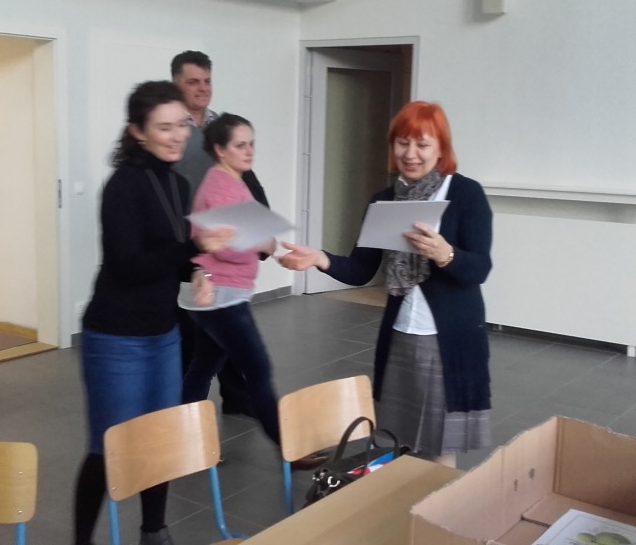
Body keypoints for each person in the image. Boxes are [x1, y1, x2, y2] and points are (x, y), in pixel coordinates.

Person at [277, 101, 493, 467]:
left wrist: (446, 254)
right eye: (402, 143)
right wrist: (320, 258)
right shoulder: (384, 199)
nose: (411, 154)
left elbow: (479, 268)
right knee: (399, 436)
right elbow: (361, 270)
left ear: (441, 148)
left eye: (422, 144)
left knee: (439, 445)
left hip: (448, 339)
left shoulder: (465, 194)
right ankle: (404, 498)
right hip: (400, 333)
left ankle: (436, 503)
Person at [73, 81, 233, 545]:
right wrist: (193, 247)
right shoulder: (122, 186)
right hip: (115, 338)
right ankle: (80, 540)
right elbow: (129, 266)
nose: (177, 135)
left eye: (181, 125)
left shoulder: (178, 183)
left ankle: (154, 533)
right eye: (164, 127)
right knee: (109, 447)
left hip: (163, 334)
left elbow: (172, 255)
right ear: (137, 132)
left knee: (159, 439)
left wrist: (196, 270)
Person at [170, 50, 268, 416]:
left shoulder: (220, 125)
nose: (202, 88)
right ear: (176, 84)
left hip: (225, 244)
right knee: (194, 335)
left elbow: (246, 181)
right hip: (189, 241)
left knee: (221, 334)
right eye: (192, 82)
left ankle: (236, 398)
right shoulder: (171, 129)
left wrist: (261, 230)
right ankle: (184, 413)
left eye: (207, 81)